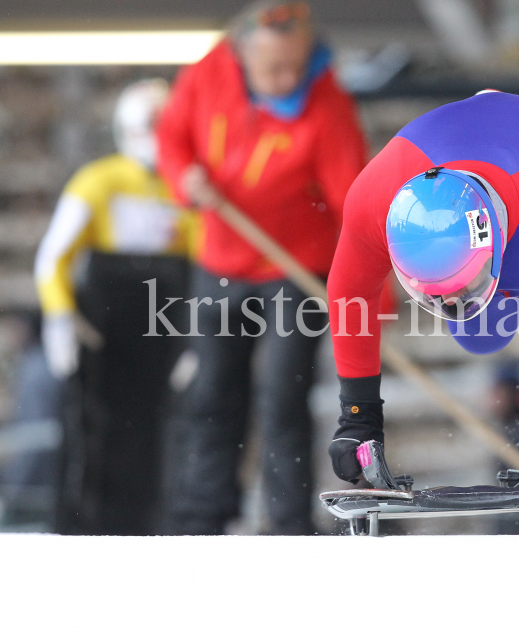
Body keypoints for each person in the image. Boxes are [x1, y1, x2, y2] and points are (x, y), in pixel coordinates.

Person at [326, 90, 519, 487]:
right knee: (481, 337)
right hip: (492, 178)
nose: (452, 300)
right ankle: (478, 292)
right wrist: (357, 416)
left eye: (463, 286)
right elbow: (350, 298)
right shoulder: (372, 200)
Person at [157, 1, 368, 534]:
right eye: (275, 67)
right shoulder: (206, 75)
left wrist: (366, 297)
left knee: (282, 397)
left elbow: (355, 205)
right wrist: (185, 177)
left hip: (296, 272)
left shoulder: (328, 107)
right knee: (211, 391)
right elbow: (172, 138)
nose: (288, 78)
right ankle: (203, 516)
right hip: (220, 262)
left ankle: (289, 522)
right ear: (243, 54)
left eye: (297, 65)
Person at [34, 79, 196, 535]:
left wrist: (198, 340)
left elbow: (205, 267)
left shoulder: (184, 189)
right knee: (90, 434)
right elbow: (53, 256)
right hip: (102, 335)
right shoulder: (98, 180)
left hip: (162, 332)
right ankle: (79, 527)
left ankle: (148, 526)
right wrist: (61, 317)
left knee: (156, 436)